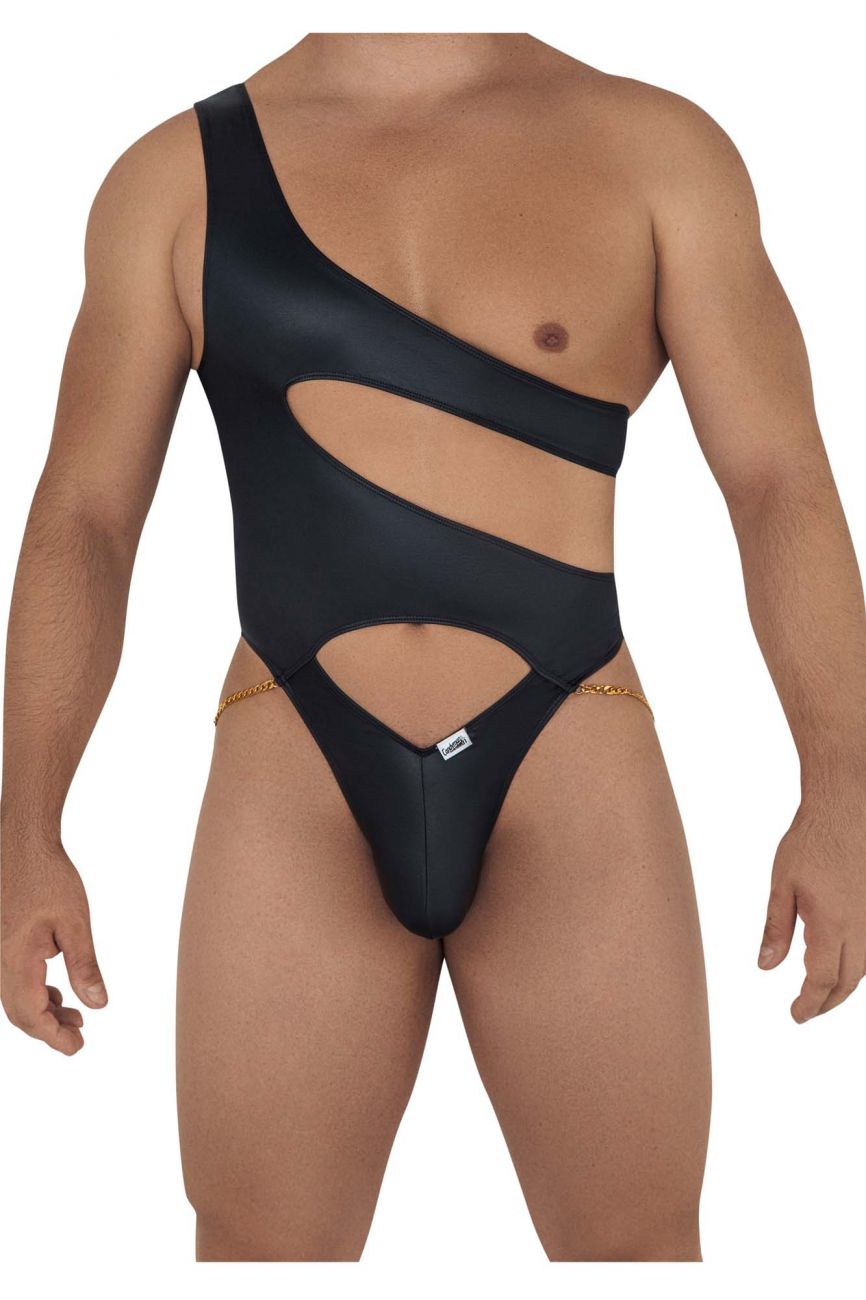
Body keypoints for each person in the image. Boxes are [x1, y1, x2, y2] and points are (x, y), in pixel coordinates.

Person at [2, 32, 865, 1264]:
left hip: (565, 747)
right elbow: (83, 516)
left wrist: (842, 787)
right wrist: (26, 828)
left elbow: (779, 481)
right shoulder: (173, 176)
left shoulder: (651, 149)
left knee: (634, 1251)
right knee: (258, 1253)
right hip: (295, 759)